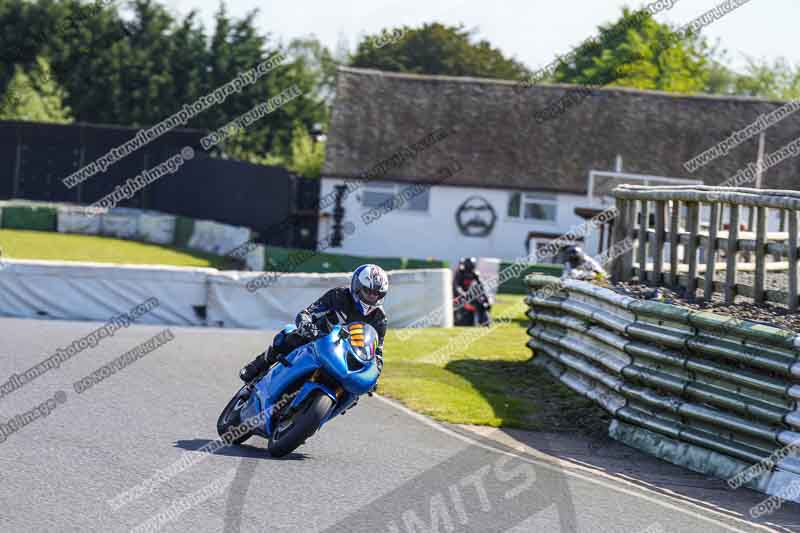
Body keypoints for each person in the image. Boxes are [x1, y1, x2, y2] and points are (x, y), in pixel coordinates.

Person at [239, 264, 389, 382]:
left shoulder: (379, 319)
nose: (371, 296)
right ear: (357, 287)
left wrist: (374, 374)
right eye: (367, 291)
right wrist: (306, 324)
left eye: (376, 294)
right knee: (291, 337)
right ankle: (259, 364)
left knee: (356, 390)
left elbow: (377, 353)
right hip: (318, 338)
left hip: (348, 356)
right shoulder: (339, 295)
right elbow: (308, 312)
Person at [453, 257, 491, 326]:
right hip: (458, 296)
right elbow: (456, 286)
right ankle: (456, 320)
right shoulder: (459, 273)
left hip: (469, 295)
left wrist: (485, 298)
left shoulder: (475, 274)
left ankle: (483, 321)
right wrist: (462, 293)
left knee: (481, 302)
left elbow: (481, 286)